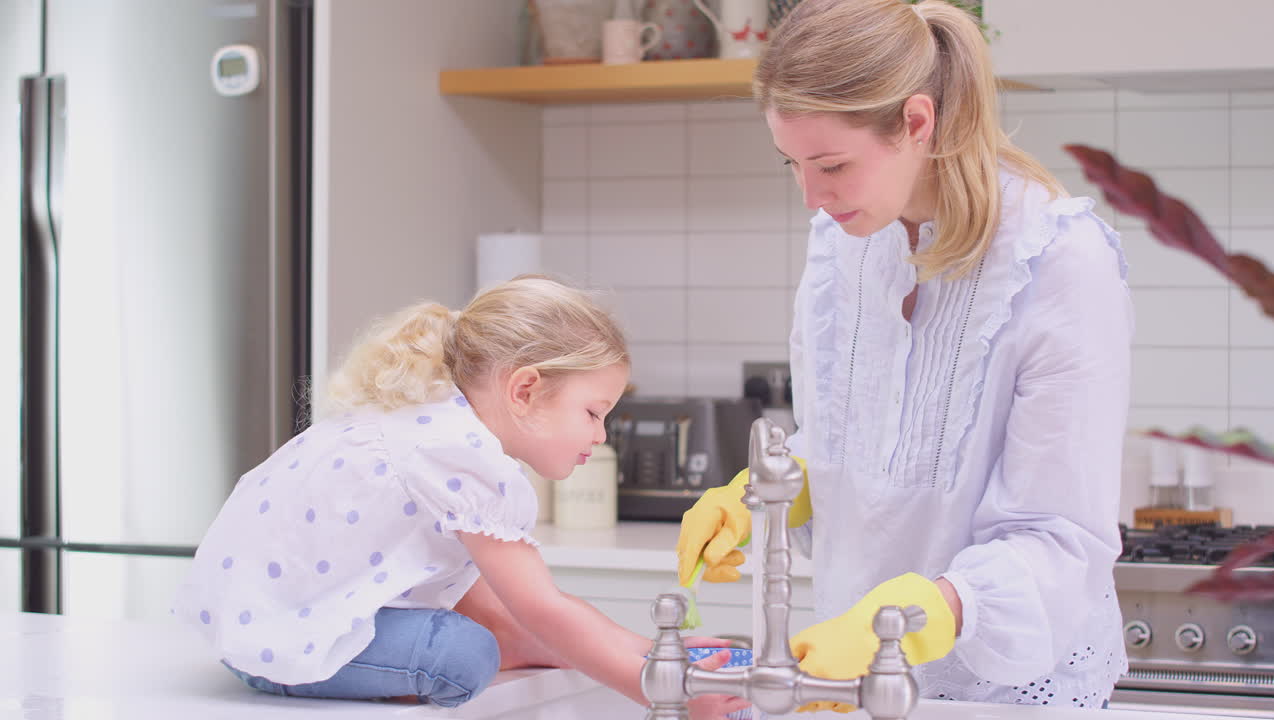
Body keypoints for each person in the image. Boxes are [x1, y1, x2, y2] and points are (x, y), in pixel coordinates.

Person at [677, 0, 1132, 711]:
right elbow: (847, 445)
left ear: (917, 123)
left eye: (832, 164)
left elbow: (1060, 538)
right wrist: (765, 494)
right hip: (857, 679)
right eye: (793, 164)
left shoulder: (1059, 260)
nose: (811, 197)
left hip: (1004, 692)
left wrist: (910, 620)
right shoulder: (843, 241)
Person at [175, 275, 748, 719]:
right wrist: (663, 691)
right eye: (593, 413)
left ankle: (529, 644)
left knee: (489, 604)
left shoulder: (433, 423)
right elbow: (544, 606)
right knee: (463, 655)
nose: (600, 435)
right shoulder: (461, 455)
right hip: (282, 643)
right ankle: (513, 647)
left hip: (266, 618)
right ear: (525, 390)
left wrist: (652, 650)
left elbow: (502, 594)